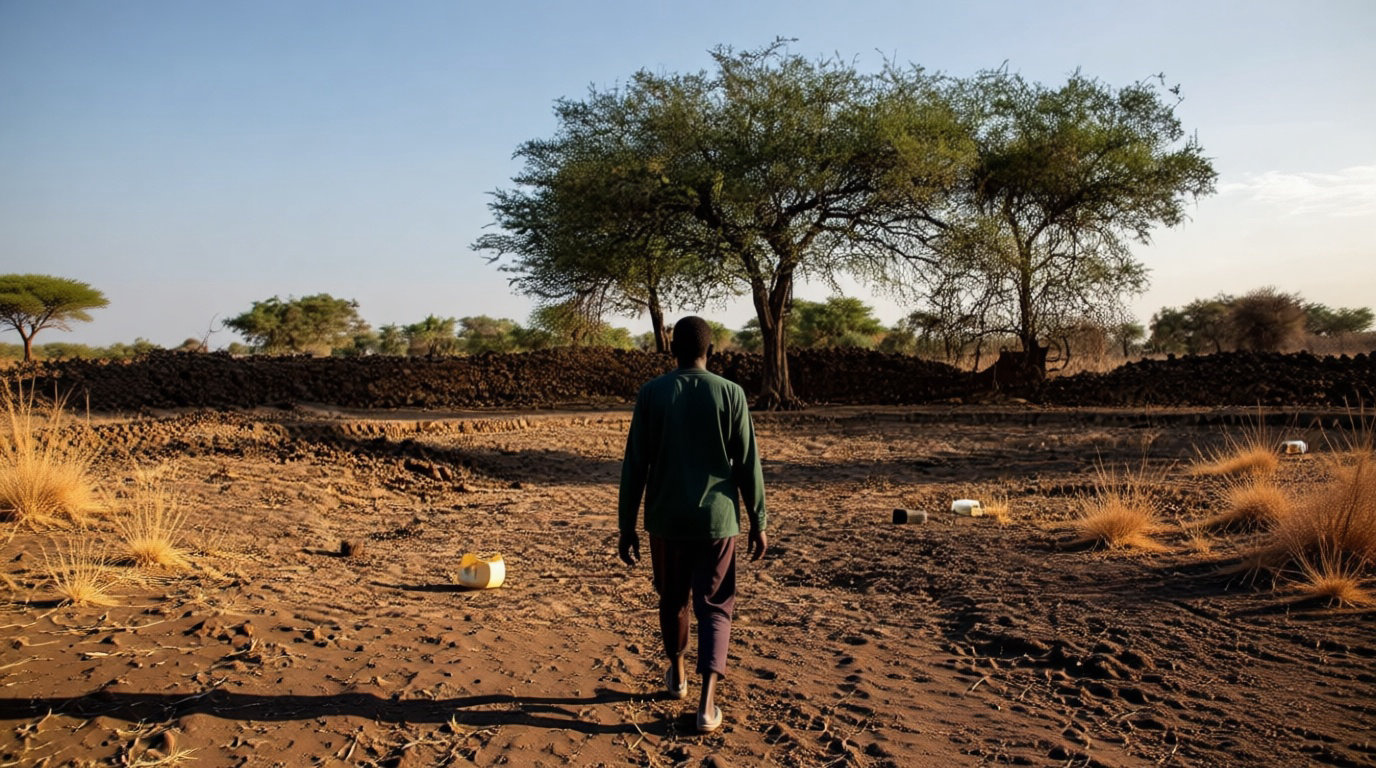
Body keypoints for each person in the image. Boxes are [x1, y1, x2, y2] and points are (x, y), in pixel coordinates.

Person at [617, 315, 768, 734]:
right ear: (711, 351)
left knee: (673, 600)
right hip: (718, 521)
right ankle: (707, 706)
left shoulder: (652, 394)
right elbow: (747, 462)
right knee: (715, 607)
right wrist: (758, 519)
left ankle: (679, 676)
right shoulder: (731, 394)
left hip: (666, 520)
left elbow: (635, 464)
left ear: (672, 350)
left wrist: (626, 525)